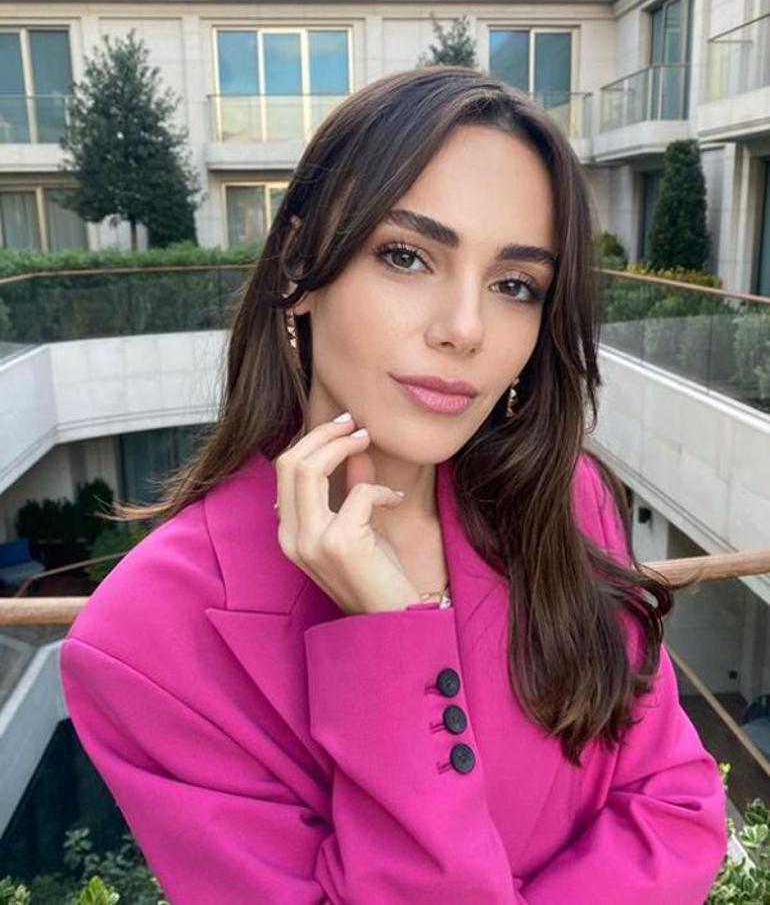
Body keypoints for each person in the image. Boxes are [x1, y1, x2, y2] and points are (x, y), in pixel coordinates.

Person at [59, 66, 728, 903]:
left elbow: (679, 806)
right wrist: (388, 640)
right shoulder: (146, 641)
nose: (465, 329)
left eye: (515, 285)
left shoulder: (563, 498)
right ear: (299, 266)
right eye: (407, 256)